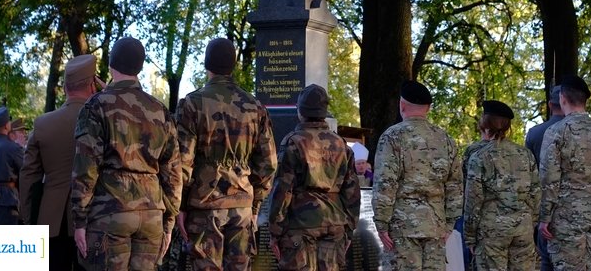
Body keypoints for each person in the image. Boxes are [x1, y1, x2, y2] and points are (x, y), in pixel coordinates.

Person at [71, 36, 182, 270]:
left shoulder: (96, 106)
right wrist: (169, 219)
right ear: (140, 68)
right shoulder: (160, 111)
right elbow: (173, 172)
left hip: (110, 213)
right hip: (152, 214)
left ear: (111, 65)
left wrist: (79, 220)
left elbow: (86, 167)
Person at [176, 37, 277, 271]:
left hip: (204, 206)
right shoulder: (254, 107)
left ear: (206, 64)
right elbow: (268, 163)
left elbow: (182, 161)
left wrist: (179, 206)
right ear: (233, 65)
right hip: (242, 205)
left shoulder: (192, 104)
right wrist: (255, 204)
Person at [20, 54, 102, 271]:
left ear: (65, 87)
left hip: (52, 222)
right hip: (94, 220)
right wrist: (104, 92)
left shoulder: (43, 124)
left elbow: (28, 177)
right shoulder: (103, 121)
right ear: (93, 85)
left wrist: (28, 221)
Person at [268, 84, 361, 271]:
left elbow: (283, 190)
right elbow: (352, 191)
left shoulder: (293, 141)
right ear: (324, 111)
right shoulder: (340, 143)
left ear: (300, 111)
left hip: (299, 226)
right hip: (334, 225)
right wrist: (349, 229)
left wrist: (275, 231)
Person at [372, 79, 463, 271]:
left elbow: (385, 183)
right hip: (435, 227)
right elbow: (455, 185)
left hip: (402, 227)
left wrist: (381, 223)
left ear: (402, 105)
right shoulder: (445, 139)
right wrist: (448, 225)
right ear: (428, 108)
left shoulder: (392, 136)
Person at [538, 75, 591, 271]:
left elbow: (549, 179)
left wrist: (544, 217)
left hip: (568, 217)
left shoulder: (556, 132)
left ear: (562, 98)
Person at [463, 100, 539, 271]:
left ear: (485, 122)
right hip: (523, 227)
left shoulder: (479, 156)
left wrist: (470, 236)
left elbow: (473, 200)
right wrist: (530, 222)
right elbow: (536, 192)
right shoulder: (525, 154)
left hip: (492, 230)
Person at [525, 85, 565, 271]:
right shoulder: (589, 131)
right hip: (580, 208)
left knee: (547, 260)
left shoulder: (535, 133)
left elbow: (529, 173)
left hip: (545, 207)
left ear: (550, 104)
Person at [0, 105, 25, 224]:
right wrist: (21, 147)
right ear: (6, 125)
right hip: (6, 198)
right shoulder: (12, 147)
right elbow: (24, 169)